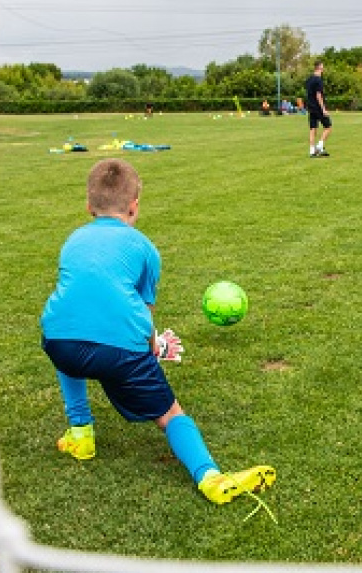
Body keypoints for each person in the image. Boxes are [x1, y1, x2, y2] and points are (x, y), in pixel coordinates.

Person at [40, 158, 276, 505]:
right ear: (134, 206)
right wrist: (156, 345)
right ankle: (210, 477)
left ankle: (81, 433)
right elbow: (141, 314)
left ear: (88, 205)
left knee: (68, 333)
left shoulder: (73, 240)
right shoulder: (145, 249)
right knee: (170, 415)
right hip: (120, 349)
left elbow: (81, 298)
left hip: (58, 341)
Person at [304, 60, 332, 157]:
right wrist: (323, 109)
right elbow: (318, 95)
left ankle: (312, 150)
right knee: (328, 127)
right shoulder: (318, 80)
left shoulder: (309, 80)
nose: (323, 69)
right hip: (318, 107)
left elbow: (309, 94)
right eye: (322, 67)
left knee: (313, 129)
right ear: (319, 67)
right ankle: (320, 146)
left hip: (311, 107)